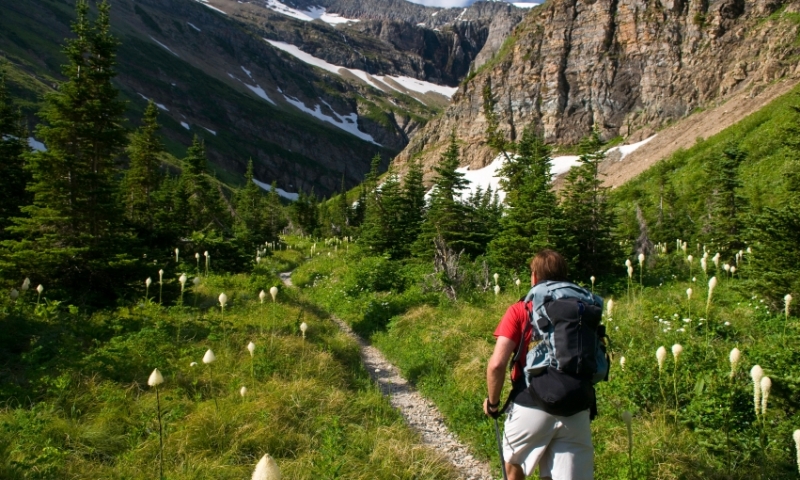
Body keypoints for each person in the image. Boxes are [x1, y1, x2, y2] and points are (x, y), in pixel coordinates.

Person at [483, 249, 594, 480]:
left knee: (514, 469)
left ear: (534, 277)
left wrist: (493, 405)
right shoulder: (582, 309)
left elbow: (496, 365)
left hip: (531, 402)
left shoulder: (521, 309)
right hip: (577, 404)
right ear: (564, 275)